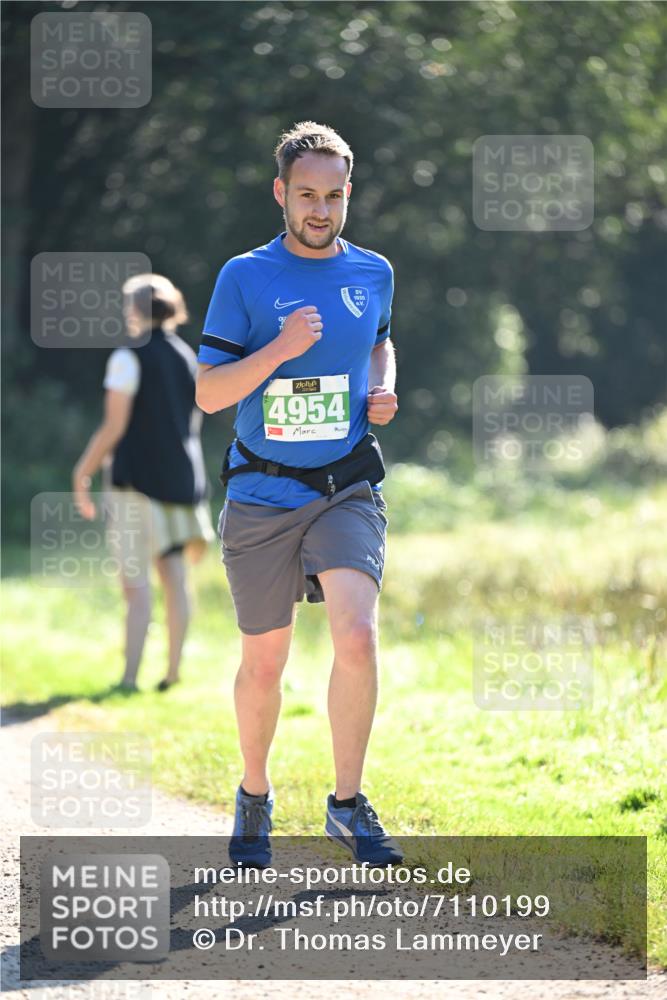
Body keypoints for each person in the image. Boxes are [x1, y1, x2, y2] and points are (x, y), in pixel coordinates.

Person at [196, 121, 401, 867]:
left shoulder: (373, 270)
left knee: (355, 634)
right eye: (307, 195)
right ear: (281, 193)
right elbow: (211, 392)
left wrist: (382, 386)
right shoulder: (244, 277)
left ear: (349, 194)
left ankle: (345, 806)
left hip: (344, 484)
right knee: (264, 663)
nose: (321, 209)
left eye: (335, 195)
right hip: (262, 491)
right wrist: (280, 349)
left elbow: (380, 339)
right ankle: (254, 795)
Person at [72, 274, 215, 692]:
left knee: (136, 586)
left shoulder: (126, 357)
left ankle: (129, 678)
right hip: (182, 481)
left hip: (136, 484)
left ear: (133, 310)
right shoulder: (187, 356)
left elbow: (114, 427)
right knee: (175, 578)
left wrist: (81, 471)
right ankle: (172, 673)